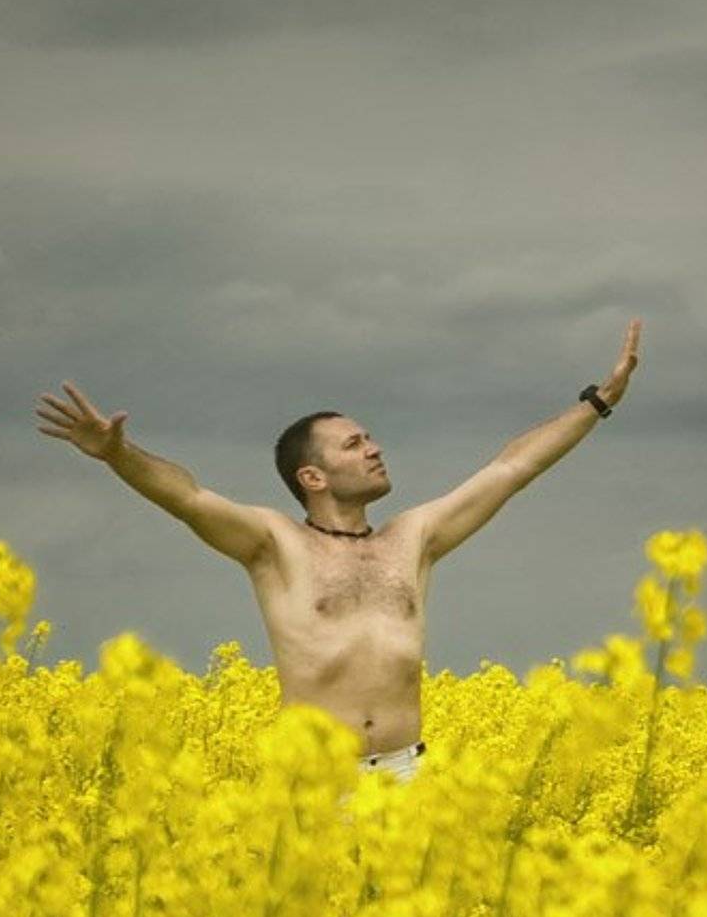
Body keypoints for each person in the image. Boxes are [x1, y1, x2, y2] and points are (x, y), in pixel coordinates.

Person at [32, 320, 642, 784]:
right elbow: (188, 498)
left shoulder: (413, 539)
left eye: (370, 439)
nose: (374, 449)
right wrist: (118, 454)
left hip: (407, 775)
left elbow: (511, 469)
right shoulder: (275, 544)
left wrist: (597, 402)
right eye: (353, 445)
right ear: (313, 477)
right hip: (315, 784)